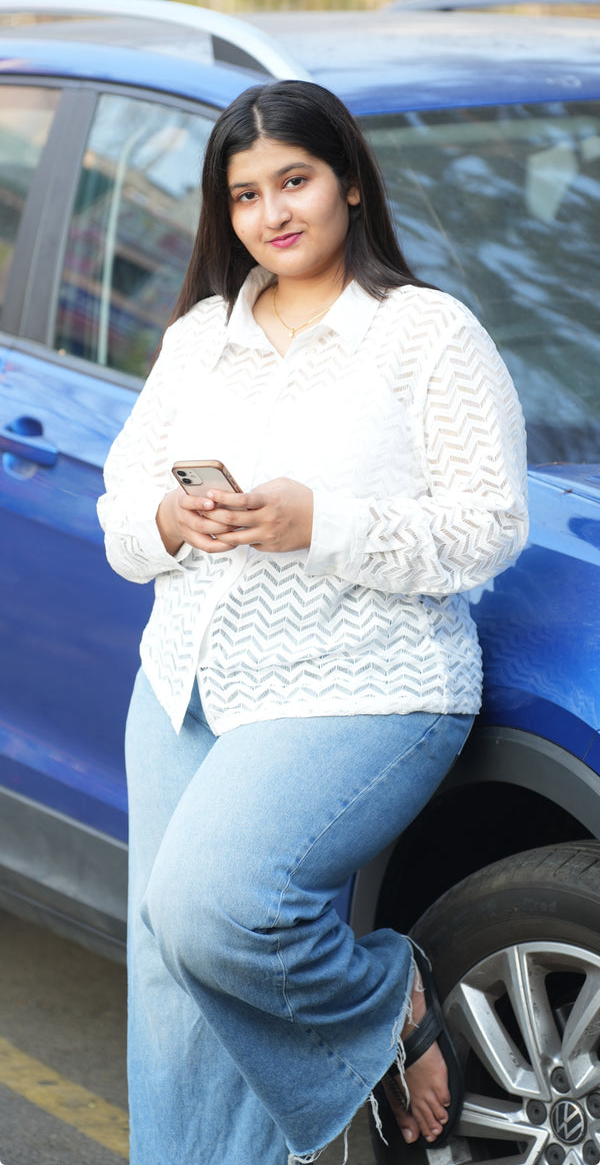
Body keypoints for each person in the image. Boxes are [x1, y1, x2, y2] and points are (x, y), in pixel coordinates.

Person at [97, 79, 528, 1165]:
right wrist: (171, 515)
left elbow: (489, 527)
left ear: (347, 181)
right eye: (245, 194)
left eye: (294, 180)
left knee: (212, 910)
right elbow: (119, 517)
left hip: (360, 677)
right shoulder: (200, 337)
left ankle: (386, 994)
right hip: (186, 676)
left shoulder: (426, 335)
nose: (272, 213)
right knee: (167, 966)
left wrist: (316, 523)